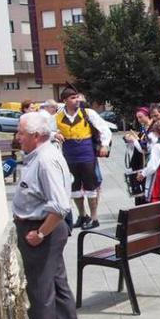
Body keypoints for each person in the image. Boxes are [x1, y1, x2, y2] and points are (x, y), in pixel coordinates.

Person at [12, 112, 82, 319]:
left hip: (42, 230)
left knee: (40, 288)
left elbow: (60, 205)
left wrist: (40, 233)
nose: (17, 137)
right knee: (56, 282)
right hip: (43, 229)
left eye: (21, 133)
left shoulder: (45, 160)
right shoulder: (42, 155)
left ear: (36, 136)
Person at [53, 87, 112, 230]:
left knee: (91, 187)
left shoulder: (88, 113)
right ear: (65, 100)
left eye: (77, 97)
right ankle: (82, 215)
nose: (77, 100)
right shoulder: (58, 116)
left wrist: (104, 145)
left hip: (86, 153)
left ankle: (94, 217)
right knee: (74, 187)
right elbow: (47, 130)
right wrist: (54, 134)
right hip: (69, 155)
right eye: (73, 98)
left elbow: (104, 129)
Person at [123, 107, 153, 205]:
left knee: (145, 189)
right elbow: (138, 144)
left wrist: (134, 140)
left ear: (148, 116)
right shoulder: (143, 128)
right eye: (138, 118)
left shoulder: (152, 129)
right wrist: (130, 140)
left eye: (141, 117)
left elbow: (144, 149)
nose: (139, 120)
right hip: (138, 162)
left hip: (146, 162)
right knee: (139, 190)